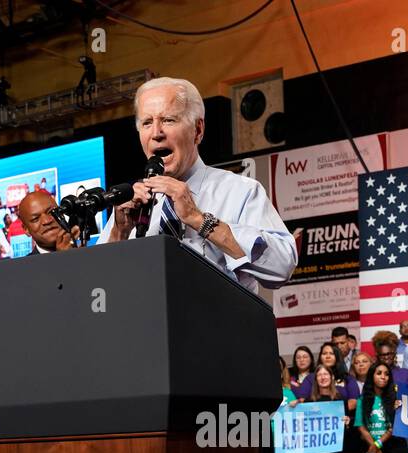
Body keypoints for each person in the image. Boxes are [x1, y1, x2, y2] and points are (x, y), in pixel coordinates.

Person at [100, 76, 297, 293]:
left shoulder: (240, 191)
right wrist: (119, 233)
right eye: (147, 123)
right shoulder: (130, 206)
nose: (156, 133)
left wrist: (197, 219)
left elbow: (282, 267)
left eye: (168, 120)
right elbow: (98, 288)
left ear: (198, 130)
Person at [294, 366, 350, 453]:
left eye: (325, 374)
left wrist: (347, 423)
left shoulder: (341, 400)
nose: (322, 377)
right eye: (319, 375)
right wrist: (292, 407)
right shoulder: (309, 401)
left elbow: (345, 431)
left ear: (332, 377)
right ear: (315, 380)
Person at [354, 361, 407, 453]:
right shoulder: (362, 400)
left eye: (386, 374)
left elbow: (394, 426)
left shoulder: (396, 399)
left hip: (393, 447)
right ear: (371, 376)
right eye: (379, 373)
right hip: (369, 445)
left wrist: (377, 444)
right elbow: (361, 426)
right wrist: (376, 448)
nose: (383, 377)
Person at [15, 188, 76, 253]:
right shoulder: (24, 263)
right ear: (26, 229)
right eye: (36, 219)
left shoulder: (84, 250)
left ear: (61, 213)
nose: (47, 221)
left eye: (51, 212)